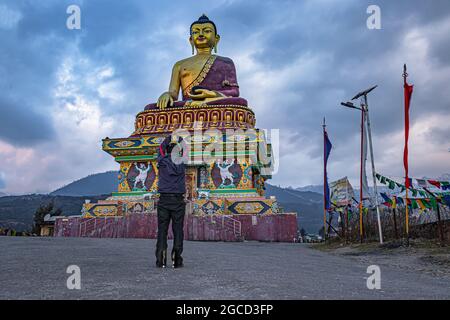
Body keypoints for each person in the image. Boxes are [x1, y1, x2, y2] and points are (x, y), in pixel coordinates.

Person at [155, 134, 187, 268]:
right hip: (178, 200)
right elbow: (186, 149)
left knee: (162, 230)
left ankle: (161, 258)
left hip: (163, 200)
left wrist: (168, 138)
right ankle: (176, 258)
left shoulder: (161, 161)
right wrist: (180, 140)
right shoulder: (181, 161)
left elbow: (160, 149)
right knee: (178, 230)